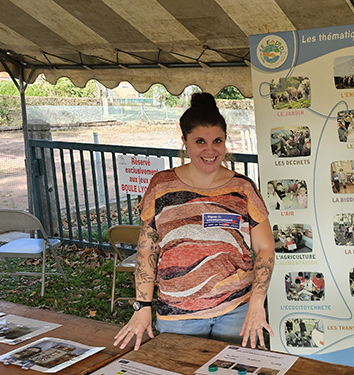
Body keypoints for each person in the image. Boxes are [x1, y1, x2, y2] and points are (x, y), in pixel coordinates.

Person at [114, 92, 276, 351]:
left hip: (236, 311)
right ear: (185, 142)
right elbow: (147, 251)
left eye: (217, 141)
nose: (210, 150)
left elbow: (265, 248)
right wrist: (142, 306)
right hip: (178, 315)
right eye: (200, 141)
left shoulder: (243, 188)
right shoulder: (161, 186)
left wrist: (257, 303)